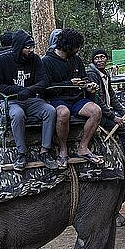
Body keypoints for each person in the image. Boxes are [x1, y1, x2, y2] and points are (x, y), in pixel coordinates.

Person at [0, 29, 58, 171]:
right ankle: (21, 153)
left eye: (32, 47)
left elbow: (44, 81)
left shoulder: (35, 59)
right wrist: (17, 90)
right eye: (28, 47)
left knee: (50, 111)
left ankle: (45, 151)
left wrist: (29, 90)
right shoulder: (2, 60)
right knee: (17, 114)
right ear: (18, 47)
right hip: (11, 100)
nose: (31, 50)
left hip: (32, 99)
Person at [41, 28, 103, 167]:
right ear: (68, 46)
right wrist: (68, 83)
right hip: (57, 99)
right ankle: (63, 149)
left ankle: (83, 147)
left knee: (96, 111)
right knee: (63, 113)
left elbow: (84, 77)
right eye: (76, 47)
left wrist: (88, 85)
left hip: (76, 98)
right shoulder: (46, 61)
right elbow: (45, 87)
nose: (78, 50)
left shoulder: (76, 60)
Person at [86, 48, 125, 163]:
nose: (100, 60)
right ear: (93, 61)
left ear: (106, 59)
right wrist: (113, 117)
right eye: (96, 58)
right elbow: (97, 100)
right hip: (98, 113)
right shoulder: (92, 75)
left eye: (102, 57)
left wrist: (123, 113)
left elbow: (112, 96)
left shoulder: (104, 74)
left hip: (105, 110)